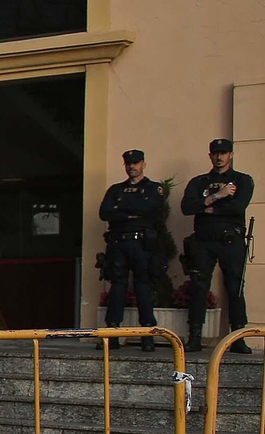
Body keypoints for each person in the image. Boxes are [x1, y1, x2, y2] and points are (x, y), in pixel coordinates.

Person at [180, 138, 254, 353]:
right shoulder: (199, 182)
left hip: (230, 240)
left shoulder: (242, 180)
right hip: (203, 241)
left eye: (223, 153)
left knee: (235, 287)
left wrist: (206, 207)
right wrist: (217, 196)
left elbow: (237, 206)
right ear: (210, 156)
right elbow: (186, 207)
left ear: (231, 155)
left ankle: (238, 337)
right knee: (199, 287)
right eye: (215, 153)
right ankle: (195, 336)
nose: (219, 157)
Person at [99, 149, 164, 352]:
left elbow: (149, 208)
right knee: (117, 286)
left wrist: (121, 210)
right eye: (128, 163)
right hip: (118, 244)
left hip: (142, 244)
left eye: (135, 163)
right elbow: (104, 212)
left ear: (143, 164)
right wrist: (131, 212)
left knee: (142, 286)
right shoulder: (116, 189)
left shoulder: (153, 188)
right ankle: (112, 333)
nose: (132, 167)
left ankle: (147, 334)